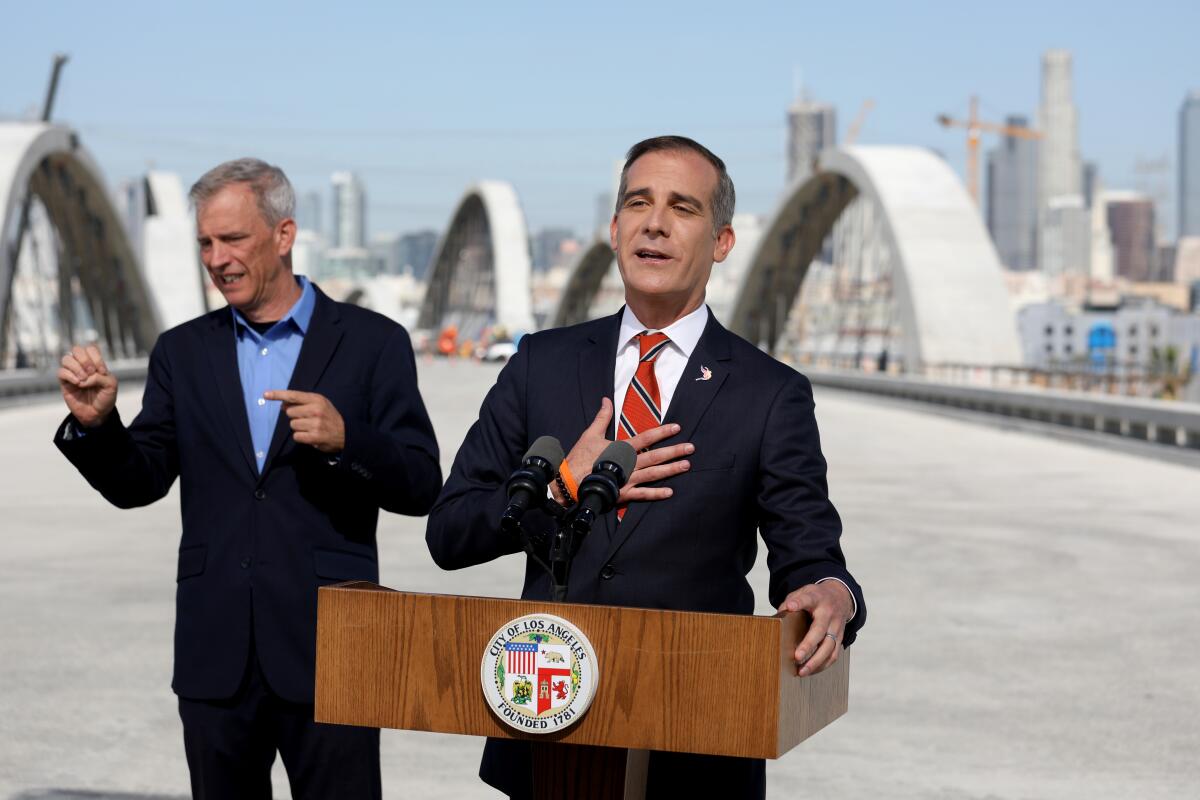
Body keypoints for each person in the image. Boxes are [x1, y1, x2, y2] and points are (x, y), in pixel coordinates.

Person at [426, 135, 866, 799]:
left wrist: (835, 592)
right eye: (639, 202)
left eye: (682, 208)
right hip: (549, 727)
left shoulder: (769, 393)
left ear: (721, 242)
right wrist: (559, 486)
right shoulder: (540, 364)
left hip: (699, 736)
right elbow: (450, 532)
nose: (654, 222)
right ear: (614, 229)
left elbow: (808, 555)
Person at [54, 158, 441, 799]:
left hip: (333, 648)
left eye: (232, 239)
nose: (216, 257)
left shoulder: (375, 342)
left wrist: (350, 440)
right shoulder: (182, 351)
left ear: (284, 235)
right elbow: (140, 481)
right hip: (215, 654)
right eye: (205, 242)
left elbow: (423, 484)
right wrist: (100, 427)